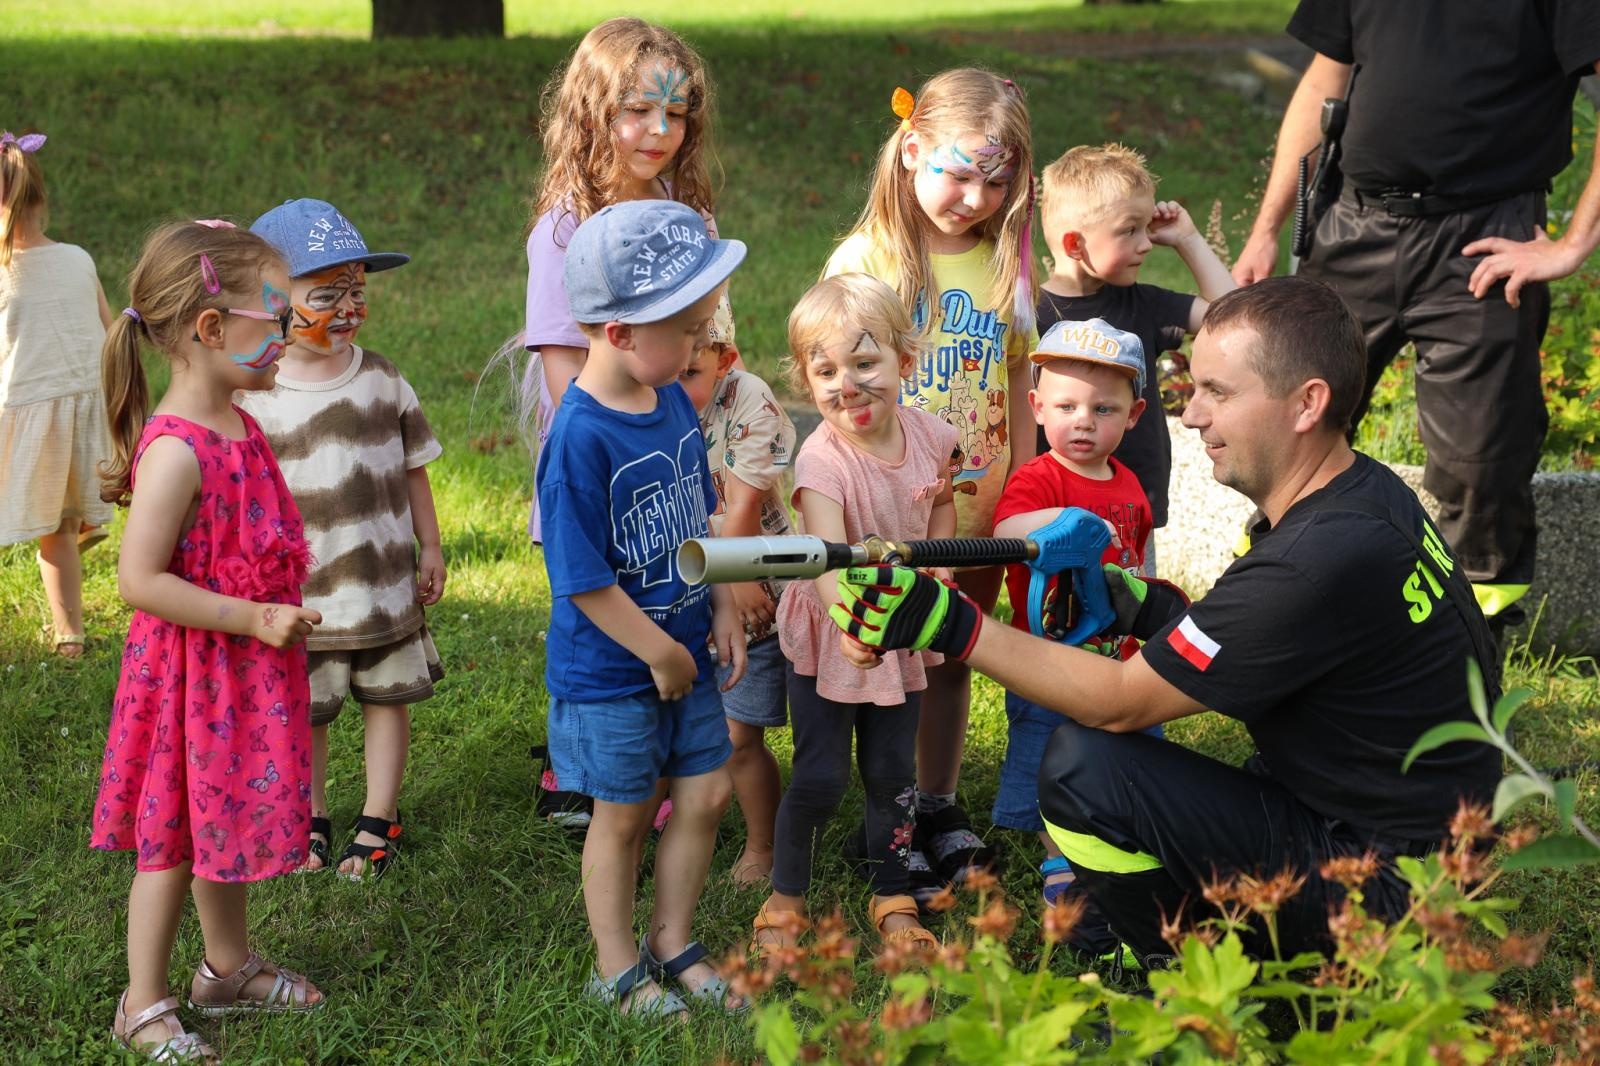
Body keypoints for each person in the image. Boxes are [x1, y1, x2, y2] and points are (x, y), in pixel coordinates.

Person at [828, 277, 1503, 965]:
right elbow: (1266, 638)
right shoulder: (1366, 493)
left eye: (1218, 392)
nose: (1192, 417)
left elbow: (1121, 703)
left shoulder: (1310, 559)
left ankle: (1156, 960)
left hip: (1387, 900)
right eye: (1193, 389)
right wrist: (1150, 606)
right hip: (1426, 856)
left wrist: (951, 623)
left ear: (1307, 404)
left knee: (1081, 765)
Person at [1231, 0, 1600, 636]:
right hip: (1352, 223)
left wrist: (1571, 246)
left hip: (1484, 243)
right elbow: (1325, 78)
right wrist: (1266, 229)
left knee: (1481, 467)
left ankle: (1462, 668)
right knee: (1289, 422)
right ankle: (1259, 621)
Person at [90, 221, 324, 1063]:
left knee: (221, 822)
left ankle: (225, 971)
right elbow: (138, 580)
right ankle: (143, 1003)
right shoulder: (178, 453)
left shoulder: (236, 422)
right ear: (212, 329)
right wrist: (251, 617)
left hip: (237, 679)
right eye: (276, 323)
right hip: (191, 677)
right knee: (173, 843)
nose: (289, 337)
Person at [822, 68, 1038, 893]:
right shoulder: (866, 263)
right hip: (888, 518)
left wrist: (1021, 490)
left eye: (996, 179)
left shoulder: (1006, 272)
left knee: (950, 657)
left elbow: (1018, 390)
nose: (974, 196)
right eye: (957, 171)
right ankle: (890, 811)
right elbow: (837, 389)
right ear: (911, 150)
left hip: (977, 515)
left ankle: (939, 803)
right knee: (887, 664)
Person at [538, 199, 746, 1016]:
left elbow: (699, 518)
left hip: (687, 650)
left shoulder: (669, 403)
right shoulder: (579, 438)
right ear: (620, 332)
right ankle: (614, 963)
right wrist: (659, 652)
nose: (699, 345)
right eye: (687, 329)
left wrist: (724, 604)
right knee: (623, 816)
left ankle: (673, 937)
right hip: (614, 669)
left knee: (705, 795)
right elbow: (583, 580)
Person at [239, 198, 444, 880]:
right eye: (328, 294)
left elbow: (415, 471)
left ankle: (378, 818)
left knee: (387, 701)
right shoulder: (256, 395)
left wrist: (433, 548)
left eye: (359, 290)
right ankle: (312, 815)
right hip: (305, 599)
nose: (350, 306)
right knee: (310, 712)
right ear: (274, 302)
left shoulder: (383, 378)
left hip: (383, 584)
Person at [754, 272, 956, 957]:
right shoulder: (822, 462)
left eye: (865, 363)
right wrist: (852, 624)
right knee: (820, 775)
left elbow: (942, 502)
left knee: (893, 774)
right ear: (806, 380)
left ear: (904, 360)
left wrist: (945, 566)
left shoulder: (930, 436)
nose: (847, 384)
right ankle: (786, 898)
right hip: (835, 633)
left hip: (895, 632)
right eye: (826, 370)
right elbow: (824, 562)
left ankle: (893, 892)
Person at [989, 318, 1173, 908]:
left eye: (1104, 409)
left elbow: (1140, 553)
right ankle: (1059, 855)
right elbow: (1006, 530)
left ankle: (1128, 834)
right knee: (1048, 753)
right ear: (1038, 407)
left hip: (1119, 658)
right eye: (1066, 406)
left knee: (1136, 745)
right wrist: (1057, 526)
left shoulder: (1131, 485)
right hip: (1048, 659)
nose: (1084, 421)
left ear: (1135, 414)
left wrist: (1147, 603)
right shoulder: (1038, 479)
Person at [520, 16, 719, 544]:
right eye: (638, 111)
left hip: (677, 442)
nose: (660, 129)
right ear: (590, 115)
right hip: (603, 457)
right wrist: (620, 445)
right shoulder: (565, 228)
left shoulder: (688, 216)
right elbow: (562, 367)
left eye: (676, 114)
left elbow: (710, 333)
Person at [1034, 143, 1236, 568]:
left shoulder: (1143, 304)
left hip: (1131, 508)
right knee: (1052, 620)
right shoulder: (1028, 314)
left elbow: (1238, 318)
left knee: (1134, 613)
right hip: (1050, 510)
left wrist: (1188, 240)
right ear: (1075, 244)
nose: (1146, 244)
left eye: (1147, 229)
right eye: (1130, 230)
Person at [676, 292, 796, 888]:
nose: (676, 386)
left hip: (754, 591)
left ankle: (764, 845)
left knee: (738, 735)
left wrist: (740, 575)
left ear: (725, 359)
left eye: (692, 373)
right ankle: (676, 816)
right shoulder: (650, 400)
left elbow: (744, 504)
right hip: (683, 596)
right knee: (679, 723)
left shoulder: (748, 397)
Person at [0, 128, 116, 657]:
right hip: (83, 409)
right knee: (60, 531)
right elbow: (109, 331)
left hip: (23, 413)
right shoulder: (78, 257)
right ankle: (70, 638)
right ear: (40, 198)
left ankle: (80, 519)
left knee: (52, 525)